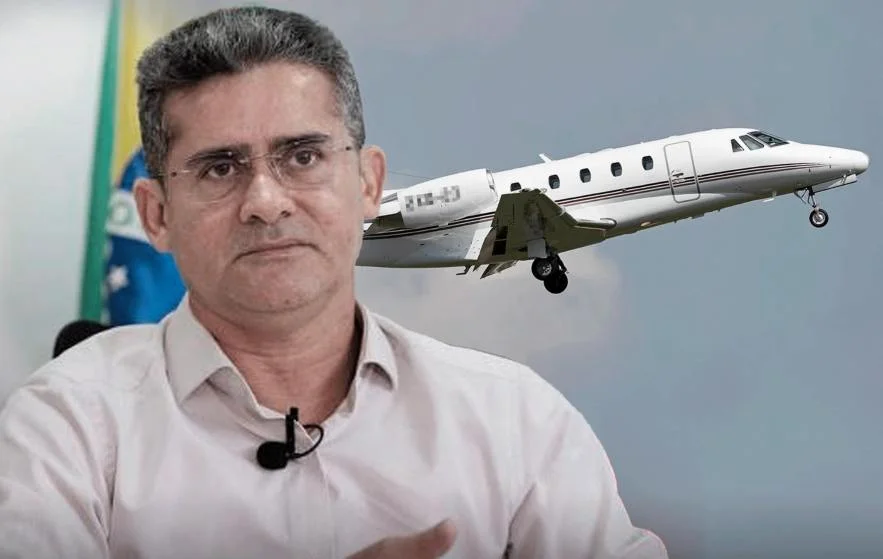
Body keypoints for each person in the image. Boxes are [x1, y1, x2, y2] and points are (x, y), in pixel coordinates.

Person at [0, 6, 667, 558]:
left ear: (368, 183)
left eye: (302, 156)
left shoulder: (516, 420)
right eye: (219, 168)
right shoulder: (69, 424)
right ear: (156, 215)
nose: (266, 201)